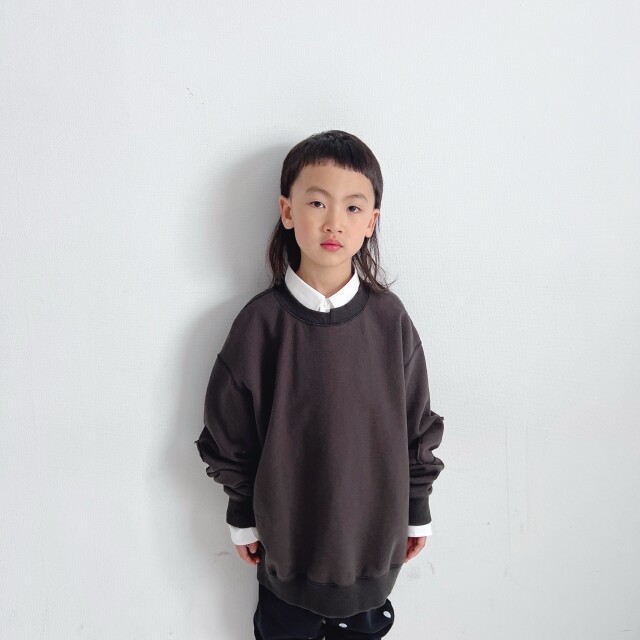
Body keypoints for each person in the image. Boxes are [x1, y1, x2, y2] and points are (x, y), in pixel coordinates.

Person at [195, 129, 445, 640]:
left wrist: (417, 508)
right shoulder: (259, 325)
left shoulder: (390, 322)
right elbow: (228, 434)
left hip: (371, 558)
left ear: (371, 222)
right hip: (285, 558)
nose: (334, 222)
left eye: (353, 208)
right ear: (287, 211)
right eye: (317, 203)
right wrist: (241, 512)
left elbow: (416, 422)